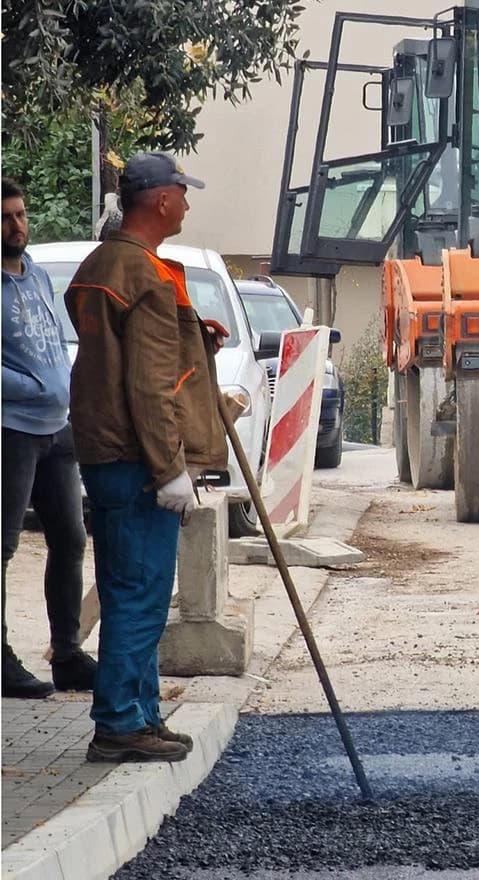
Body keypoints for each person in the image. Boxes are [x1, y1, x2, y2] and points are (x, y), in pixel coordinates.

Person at [65, 152, 225, 763]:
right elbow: (151, 387)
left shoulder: (103, 264)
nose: (187, 203)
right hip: (137, 459)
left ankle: (142, 712)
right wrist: (170, 470)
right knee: (141, 592)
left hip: (104, 453)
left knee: (124, 584)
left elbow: (119, 362)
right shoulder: (151, 277)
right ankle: (121, 724)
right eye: (184, 192)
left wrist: (194, 337)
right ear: (161, 199)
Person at [1, 178, 98, 698]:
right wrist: (35, 386)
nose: (17, 226)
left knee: (71, 540)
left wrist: (60, 379)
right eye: (6, 218)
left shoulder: (35, 274)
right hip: (11, 431)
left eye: (20, 214)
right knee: (3, 547)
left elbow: (52, 341)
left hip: (58, 429)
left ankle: (68, 654)